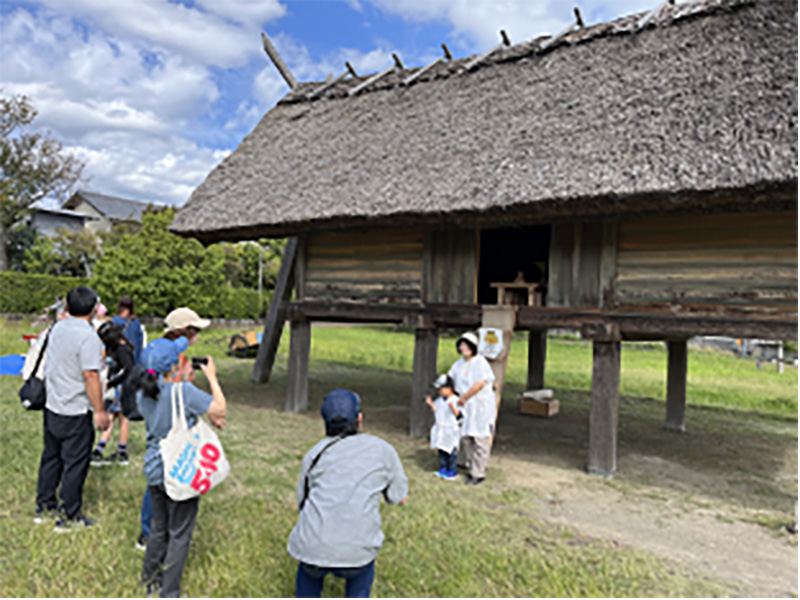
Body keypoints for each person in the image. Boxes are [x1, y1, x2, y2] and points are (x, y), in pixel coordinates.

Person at [288, 389, 408, 598]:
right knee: (360, 580)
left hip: (312, 546)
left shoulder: (314, 454)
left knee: (308, 576)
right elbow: (399, 497)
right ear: (359, 418)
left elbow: (302, 503)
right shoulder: (383, 449)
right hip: (358, 551)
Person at [136, 337, 227, 598]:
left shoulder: (144, 393)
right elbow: (220, 408)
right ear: (174, 365)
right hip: (180, 470)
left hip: (155, 469)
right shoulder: (182, 392)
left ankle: (149, 579)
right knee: (180, 533)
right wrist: (211, 377)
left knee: (159, 526)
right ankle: (169, 591)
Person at [34, 285, 112, 531]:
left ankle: (45, 506)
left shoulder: (57, 328)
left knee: (51, 457)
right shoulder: (89, 337)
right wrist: (100, 411)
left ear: (67, 307)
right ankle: (69, 515)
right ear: (94, 309)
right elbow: (90, 375)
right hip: (76, 409)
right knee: (75, 463)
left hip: (53, 404)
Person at [137, 307, 211, 551]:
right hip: (167, 426)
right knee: (164, 478)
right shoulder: (169, 353)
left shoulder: (160, 350)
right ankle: (154, 534)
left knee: (159, 480)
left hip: (163, 422)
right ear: (186, 332)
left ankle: (151, 533)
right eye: (196, 330)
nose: (197, 335)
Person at [448, 332, 496, 486]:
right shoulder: (458, 364)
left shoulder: (480, 362)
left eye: (467, 346)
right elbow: (450, 379)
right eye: (462, 345)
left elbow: (480, 383)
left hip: (479, 405)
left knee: (480, 438)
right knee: (466, 436)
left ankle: (478, 473)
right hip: (465, 405)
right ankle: (469, 466)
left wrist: (464, 397)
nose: (464, 348)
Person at [91, 322, 136, 466]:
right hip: (124, 387)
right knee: (122, 420)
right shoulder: (122, 347)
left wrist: (111, 383)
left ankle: (99, 451)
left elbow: (128, 369)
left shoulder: (122, 350)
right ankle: (121, 453)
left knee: (112, 418)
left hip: (120, 388)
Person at [425, 374, 462, 481]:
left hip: (451, 429)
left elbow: (460, 416)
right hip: (440, 428)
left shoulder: (456, 400)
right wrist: (431, 404)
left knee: (451, 451)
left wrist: (453, 409)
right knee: (441, 450)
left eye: (441, 389)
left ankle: (452, 470)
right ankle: (443, 467)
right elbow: (437, 410)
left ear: (449, 389)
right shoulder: (439, 400)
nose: (439, 392)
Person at [112, 296, 145, 365]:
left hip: (119, 361)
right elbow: (139, 341)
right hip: (134, 360)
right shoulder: (135, 322)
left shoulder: (115, 321)